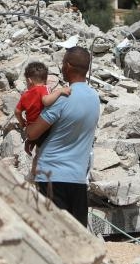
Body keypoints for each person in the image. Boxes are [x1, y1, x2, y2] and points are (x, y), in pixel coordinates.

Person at [25, 47, 100, 227]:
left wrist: (27, 127)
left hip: (51, 178)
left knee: (52, 240)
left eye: (62, 63)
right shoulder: (95, 98)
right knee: (77, 241)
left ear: (67, 65)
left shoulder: (63, 97)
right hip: (78, 180)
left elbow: (33, 132)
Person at [15, 61, 71, 177]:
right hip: (43, 129)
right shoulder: (44, 89)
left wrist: (22, 122)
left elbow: (17, 111)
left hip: (31, 128)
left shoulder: (25, 95)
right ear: (45, 80)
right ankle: (39, 175)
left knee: (37, 152)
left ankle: (33, 173)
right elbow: (46, 101)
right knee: (42, 152)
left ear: (29, 80)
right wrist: (59, 91)